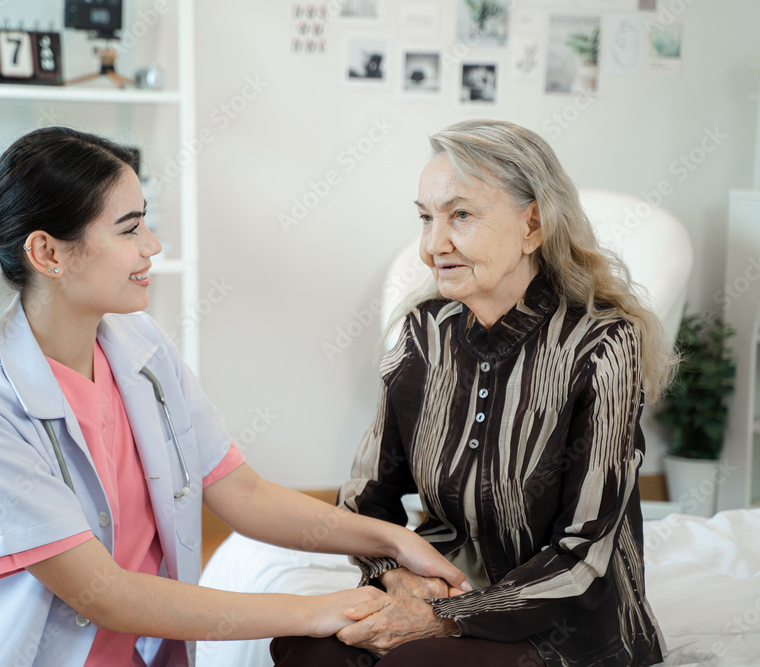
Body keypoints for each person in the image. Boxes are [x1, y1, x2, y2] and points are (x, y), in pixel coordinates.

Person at [0, 126, 469, 667]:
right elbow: (106, 595)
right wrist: (321, 609)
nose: (153, 245)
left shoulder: (140, 345)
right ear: (48, 254)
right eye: (130, 228)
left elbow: (241, 493)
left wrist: (394, 538)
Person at [271, 119, 671, 666]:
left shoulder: (601, 344)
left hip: (561, 620)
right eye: (425, 218)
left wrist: (446, 619)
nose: (433, 245)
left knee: (416, 664)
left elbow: (584, 554)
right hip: (440, 590)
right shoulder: (423, 333)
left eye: (460, 215)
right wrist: (395, 582)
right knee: (305, 647)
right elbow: (367, 501)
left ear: (533, 225)